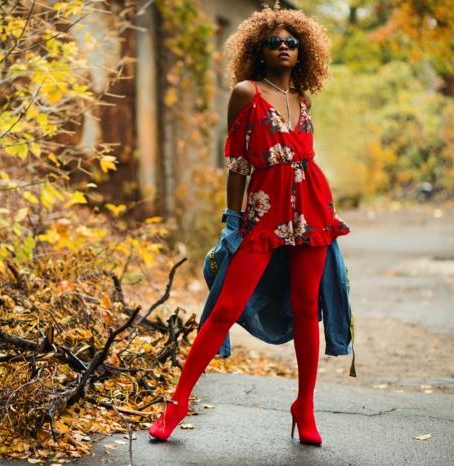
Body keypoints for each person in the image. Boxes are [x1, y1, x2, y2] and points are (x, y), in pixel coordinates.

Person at [147, 1, 351, 447]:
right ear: (259, 50)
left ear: (303, 52)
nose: (283, 47)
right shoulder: (245, 92)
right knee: (223, 308)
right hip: (263, 211)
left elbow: (305, 159)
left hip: (311, 211)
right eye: (273, 41)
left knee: (305, 312)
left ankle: (305, 406)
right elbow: (238, 164)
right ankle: (177, 403)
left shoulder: (304, 99)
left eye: (291, 42)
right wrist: (232, 222)